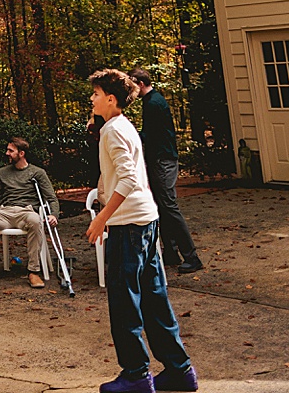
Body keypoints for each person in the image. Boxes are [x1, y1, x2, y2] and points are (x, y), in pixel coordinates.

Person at [87, 68, 198, 393]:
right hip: (147, 221)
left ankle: (136, 375)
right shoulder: (123, 126)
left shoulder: (113, 131)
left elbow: (128, 179)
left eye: (96, 94)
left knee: (125, 301)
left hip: (129, 226)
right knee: (154, 298)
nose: (92, 99)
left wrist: (102, 217)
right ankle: (180, 371)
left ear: (111, 99)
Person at [131, 68, 203, 274]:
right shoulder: (153, 100)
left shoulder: (153, 103)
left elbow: (148, 134)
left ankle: (192, 257)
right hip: (161, 159)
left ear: (140, 84)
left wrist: (131, 136)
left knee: (169, 207)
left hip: (163, 161)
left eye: (133, 86)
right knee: (162, 207)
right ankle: (171, 252)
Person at [0, 136, 59, 289]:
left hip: (27, 212)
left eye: (11, 151)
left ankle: (33, 271)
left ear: (21, 153)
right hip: (6, 211)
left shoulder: (37, 173)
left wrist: (54, 214)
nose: (7, 153)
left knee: (36, 220)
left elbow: (51, 198)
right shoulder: (2, 172)